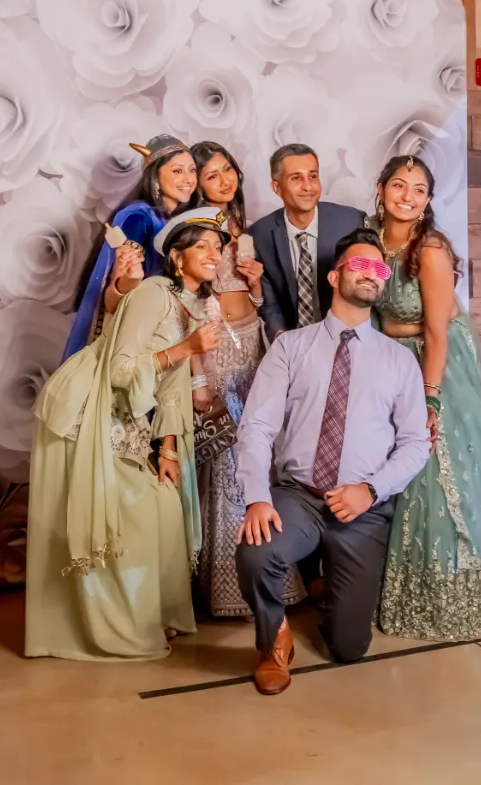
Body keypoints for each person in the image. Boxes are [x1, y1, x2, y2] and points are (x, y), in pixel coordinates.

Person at [232, 228, 432, 694]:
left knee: (348, 648)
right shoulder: (290, 347)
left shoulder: (398, 361)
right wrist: (258, 498)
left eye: (379, 269)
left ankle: (325, 583)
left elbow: (415, 444)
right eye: (359, 265)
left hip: (361, 507)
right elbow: (257, 427)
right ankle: (274, 639)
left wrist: (371, 490)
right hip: (298, 495)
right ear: (334, 275)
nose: (371, 274)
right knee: (256, 551)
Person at [24, 208, 227, 661]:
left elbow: (172, 387)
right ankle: (110, 629)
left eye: (219, 247)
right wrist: (186, 348)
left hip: (128, 416)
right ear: (177, 258)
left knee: (164, 507)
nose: (214, 254)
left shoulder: (192, 304)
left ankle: (153, 614)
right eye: (203, 247)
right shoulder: (153, 294)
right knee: (119, 519)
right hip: (85, 410)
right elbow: (119, 370)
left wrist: (169, 449)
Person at [371, 155, 481, 642]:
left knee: (437, 474)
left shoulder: (430, 250)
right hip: (387, 361)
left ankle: (450, 594)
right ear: (381, 189)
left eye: (418, 190)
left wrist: (430, 400)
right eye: (399, 185)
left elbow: (436, 331)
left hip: (431, 364)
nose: (407, 196)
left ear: (429, 201)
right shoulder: (370, 241)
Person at [186, 142, 305, 617]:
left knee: (260, 444)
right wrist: (197, 375)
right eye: (212, 175)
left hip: (253, 340)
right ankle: (220, 585)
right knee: (223, 452)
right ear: (196, 182)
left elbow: (255, 299)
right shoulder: (194, 231)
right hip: (218, 349)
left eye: (228, 170)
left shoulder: (242, 227)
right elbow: (187, 301)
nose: (224, 180)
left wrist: (255, 284)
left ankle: (272, 571)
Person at [63, 135, 200, 359]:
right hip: (134, 338)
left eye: (192, 170)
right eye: (177, 171)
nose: (188, 179)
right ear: (155, 176)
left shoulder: (168, 219)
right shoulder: (138, 217)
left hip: (159, 331)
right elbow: (117, 291)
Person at [248, 144, 366, 341]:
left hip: (348, 336)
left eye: (313, 176)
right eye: (296, 178)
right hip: (293, 340)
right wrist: (282, 338)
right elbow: (270, 304)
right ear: (277, 188)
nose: (308, 186)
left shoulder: (351, 223)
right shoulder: (259, 235)